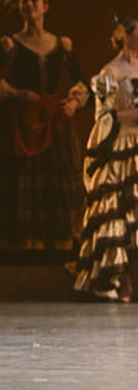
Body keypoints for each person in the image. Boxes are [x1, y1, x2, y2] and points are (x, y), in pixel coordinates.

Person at [0, 0, 88, 255]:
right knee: (20, 180)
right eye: (24, 1)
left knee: (55, 181)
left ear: (45, 7)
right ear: (20, 9)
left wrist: (74, 102)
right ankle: (19, 248)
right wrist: (13, 92)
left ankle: (58, 248)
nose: (30, 4)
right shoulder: (10, 45)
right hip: (20, 121)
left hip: (53, 121)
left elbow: (83, 81)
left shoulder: (61, 46)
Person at [74, 16, 138, 301]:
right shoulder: (110, 72)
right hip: (120, 145)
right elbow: (103, 116)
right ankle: (116, 278)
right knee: (117, 211)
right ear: (126, 36)